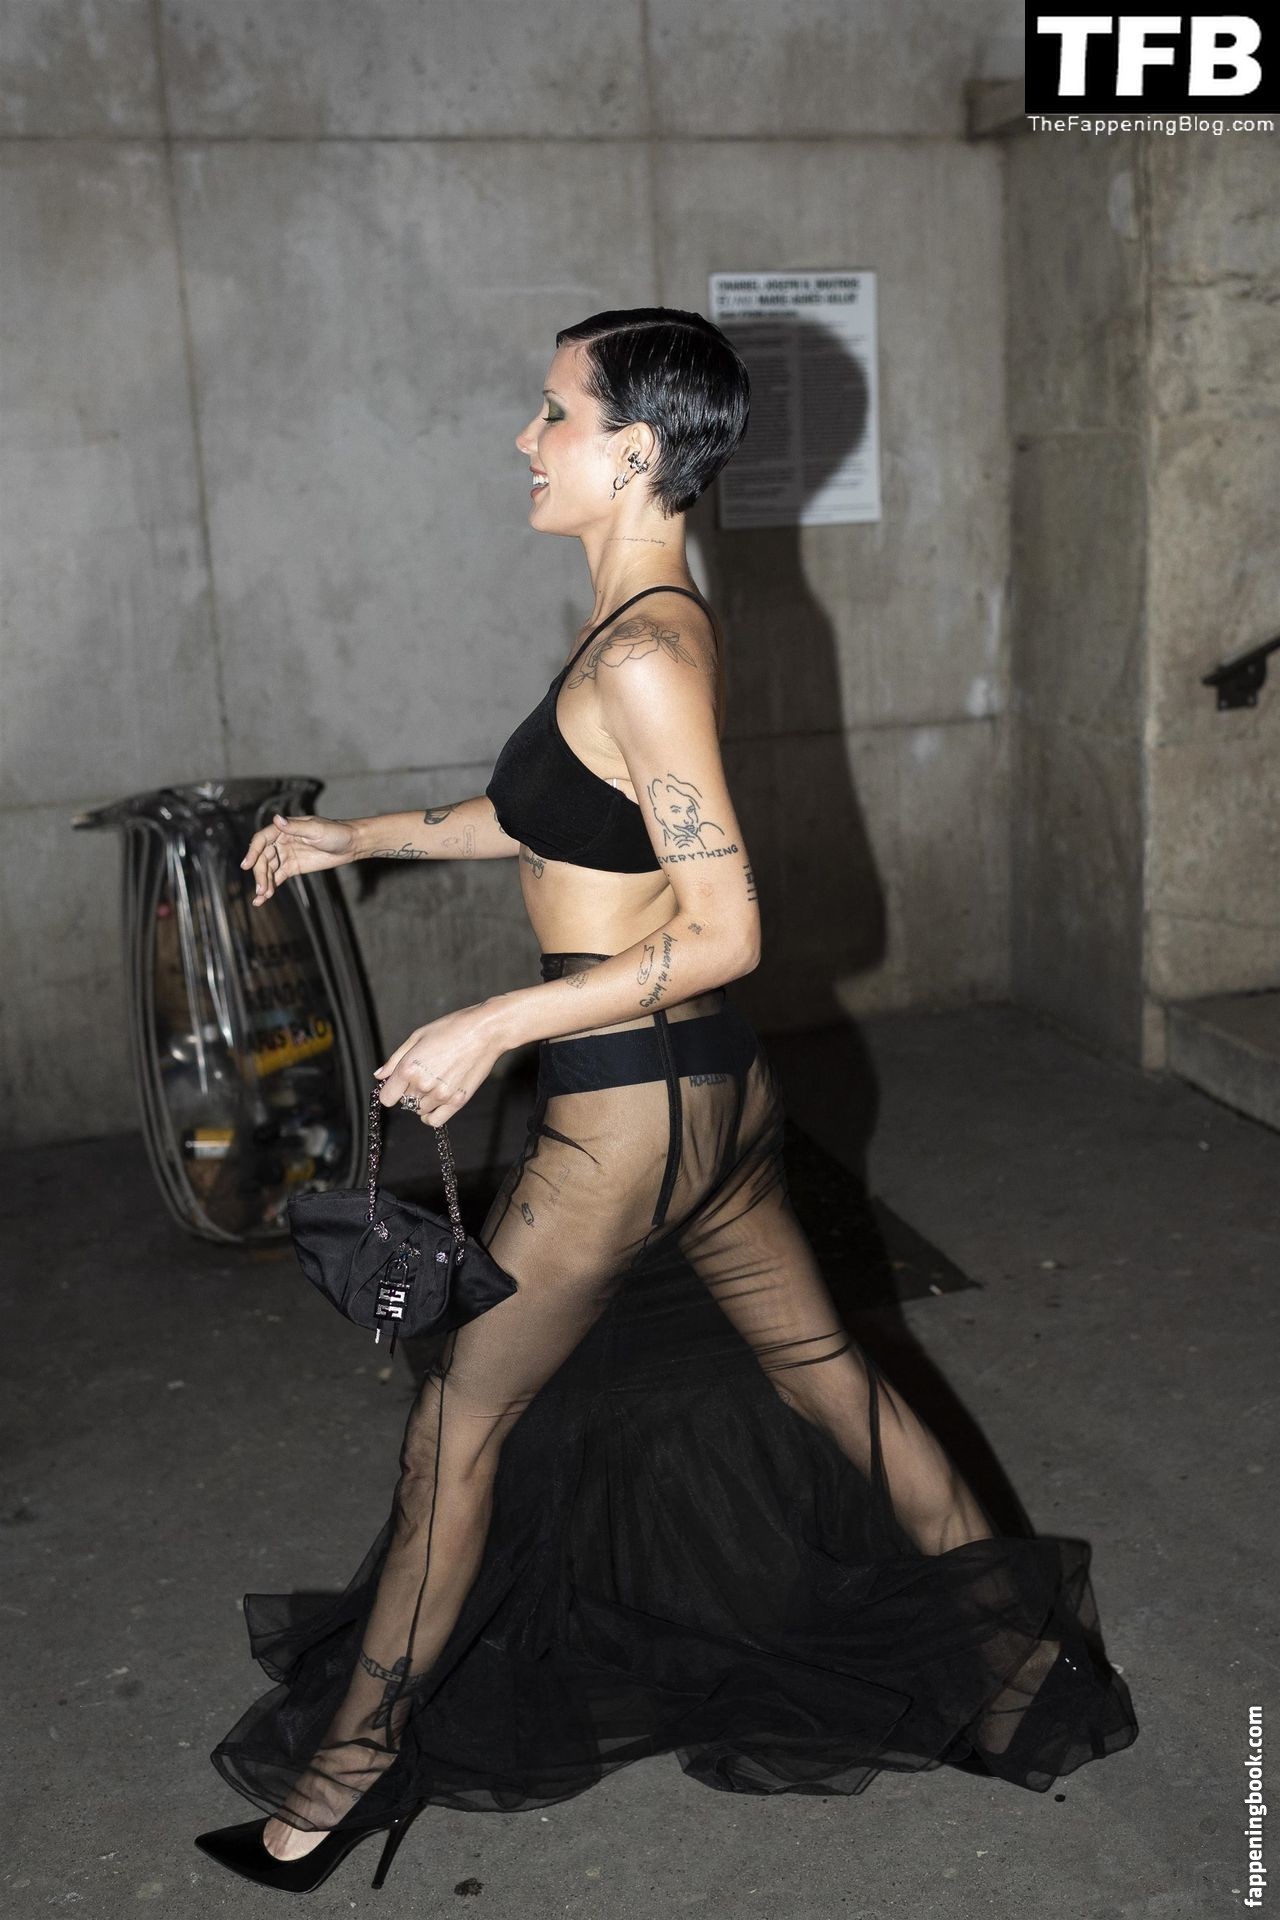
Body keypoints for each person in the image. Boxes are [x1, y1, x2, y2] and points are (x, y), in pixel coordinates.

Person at [195, 308, 1138, 1894]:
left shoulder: (642, 654)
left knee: (458, 1431)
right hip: (711, 1101)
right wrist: (360, 837)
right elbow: (543, 814)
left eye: (552, 412)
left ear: (635, 450)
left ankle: (330, 1794)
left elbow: (726, 928)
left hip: (629, 1116)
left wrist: (499, 1020)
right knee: (833, 1383)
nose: (526, 439)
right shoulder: (639, 626)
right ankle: (1023, 1677)